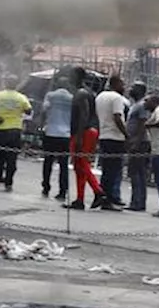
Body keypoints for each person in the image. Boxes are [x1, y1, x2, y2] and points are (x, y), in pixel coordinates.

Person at [67, 67, 115, 211]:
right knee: (79, 165)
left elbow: (84, 114)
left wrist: (80, 136)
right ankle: (80, 199)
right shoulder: (86, 92)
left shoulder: (81, 93)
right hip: (88, 131)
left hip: (84, 132)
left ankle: (98, 192)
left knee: (82, 163)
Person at [0, 74, 31, 192]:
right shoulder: (21, 97)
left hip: (0, 129)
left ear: (5, 83)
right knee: (12, 157)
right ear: (16, 84)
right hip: (15, 130)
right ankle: (8, 183)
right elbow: (28, 111)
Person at [95, 76, 130, 206]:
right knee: (113, 171)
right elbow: (117, 117)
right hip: (116, 138)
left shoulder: (100, 97)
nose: (124, 87)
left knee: (106, 170)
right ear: (116, 84)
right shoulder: (117, 98)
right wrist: (127, 135)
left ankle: (101, 195)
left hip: (104, 136)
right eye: (123, 84)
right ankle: (107, 200)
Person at [40, 74, 74, 200]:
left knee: (48, 162)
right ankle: (62, 191)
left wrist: (42, 125)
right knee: (63, 164)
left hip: (51, 132)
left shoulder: (50, 96)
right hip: (65, 134)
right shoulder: (72, 98)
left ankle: (46, 186)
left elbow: (44, 110)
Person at [125, 90, 153, 212]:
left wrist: (136, 142)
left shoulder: (142, 105)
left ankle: (136, 201)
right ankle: (139, 201)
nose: (131, 89)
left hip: (140, 143)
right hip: (139, 142)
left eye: (135, 87)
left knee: (136, 172)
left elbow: (142, 124)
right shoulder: (137, 104)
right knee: (139, 172)